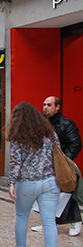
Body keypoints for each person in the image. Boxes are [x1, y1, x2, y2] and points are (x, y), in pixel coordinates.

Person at [5, 102, 63, 247]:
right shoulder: (50, 134)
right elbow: (58, 154)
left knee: (22, 215)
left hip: (27, 181)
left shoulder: (18, 136)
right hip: (50, 181)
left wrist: (12, 183)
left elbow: (15, 162)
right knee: (49, 220)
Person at [32, 96, 83, 236]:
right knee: (48, 195)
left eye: (49, 104)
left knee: (66, 193)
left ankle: (76, 220)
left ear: (57, 107)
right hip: (45, 166)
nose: (45, 107)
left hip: (61, 165)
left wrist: (64, 161)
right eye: (44, 104)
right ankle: (48, 222)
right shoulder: (41, 123)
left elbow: (75, 144)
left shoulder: (66, 124)